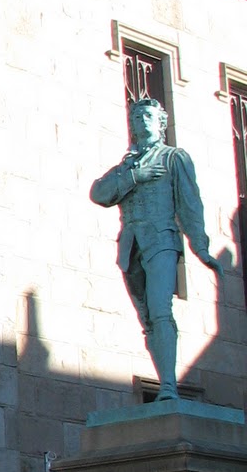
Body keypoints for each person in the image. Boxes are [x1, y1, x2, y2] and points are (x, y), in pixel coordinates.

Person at [91, 96, 222, 401]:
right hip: (130, 246)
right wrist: (136, 176)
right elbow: (99, 193)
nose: (142, 122)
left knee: (161, 309)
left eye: (148, 116)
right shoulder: (127, 166)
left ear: (161, 123)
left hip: (161, 240)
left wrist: (200, 248)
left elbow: (190, 204)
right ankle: (165, 379)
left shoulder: (174, 158)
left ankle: (167, 387)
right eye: (136, 118)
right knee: (147, 316)